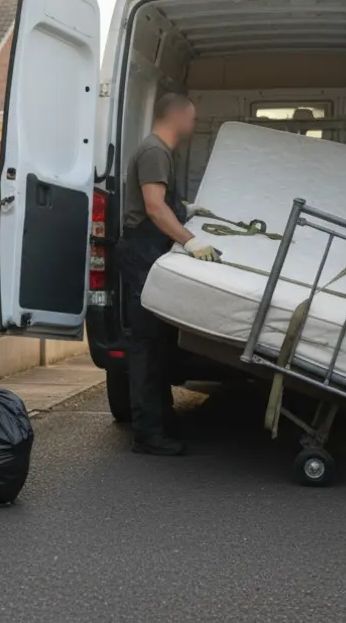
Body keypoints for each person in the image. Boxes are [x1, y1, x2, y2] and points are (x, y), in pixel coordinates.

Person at [118, 92, 221, 456]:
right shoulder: (155, 151)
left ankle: (159, 418)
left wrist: (186, 208)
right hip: (143, 252)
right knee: (146, 344)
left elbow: (164, 205)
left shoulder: (157, 150)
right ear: (176, 117)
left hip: (149, 251)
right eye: (190, 118)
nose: (193, 125)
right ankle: (147, 434)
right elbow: (153, 207)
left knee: (157, 342)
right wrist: (191, 241)